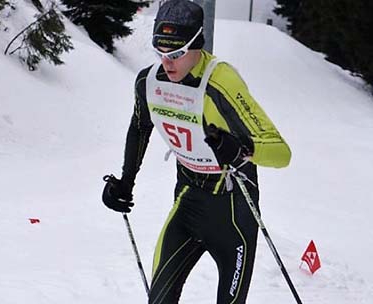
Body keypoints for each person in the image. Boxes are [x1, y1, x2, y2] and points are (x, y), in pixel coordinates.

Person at [102, 0, 291, 303]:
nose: (167, 62)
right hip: (188, 205)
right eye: (161, 53)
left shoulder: (221, 81)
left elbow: (281, 153)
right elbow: (139, 128)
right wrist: (125, 182)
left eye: (176, 54)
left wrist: (242, 149)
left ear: (198, 45)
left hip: (234, 214)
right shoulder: (149, 83)